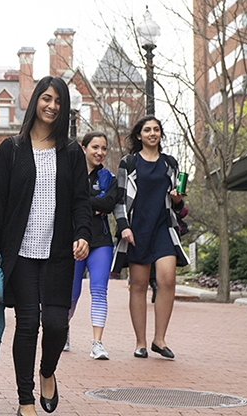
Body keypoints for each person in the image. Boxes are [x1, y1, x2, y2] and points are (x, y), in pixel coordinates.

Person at [0, 76, 92, 416]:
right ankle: (25, 400)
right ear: (35, 102)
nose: (52, 106)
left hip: (59, 253)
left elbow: (81, 201)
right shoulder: (12, 149)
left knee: (57, 325)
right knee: (28, 324)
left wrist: (83, 232)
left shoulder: (72, 152)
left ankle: (47, 371)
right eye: (46, 98)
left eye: (58, 101)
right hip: (22, 253)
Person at [111, 115, 189, 359]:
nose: (152, 133)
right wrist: (124, 226)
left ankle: (160, 339)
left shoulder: (169, 163)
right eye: (147, 130)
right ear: (139, 135)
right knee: (139, 285)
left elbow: (177, 203)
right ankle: (140, 342)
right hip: (137, 230)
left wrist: (178, 200)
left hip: (163, 228)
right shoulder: (129, 163)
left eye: (156, 129)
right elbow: (120, 198)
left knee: (167, 280)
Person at [66, 132, 117, 359]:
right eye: (95, 147)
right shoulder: (69, 174)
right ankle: (63, 331)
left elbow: (109, 203)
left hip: (101, 242)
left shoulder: (109, 178)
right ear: (83, 148)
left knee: (99, 289)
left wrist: (81, 202)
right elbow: (65, 202)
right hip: (73, 240)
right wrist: (92, 205)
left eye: (103, 148)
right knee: (72, 292)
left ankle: (97, 342)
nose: (99, 152)